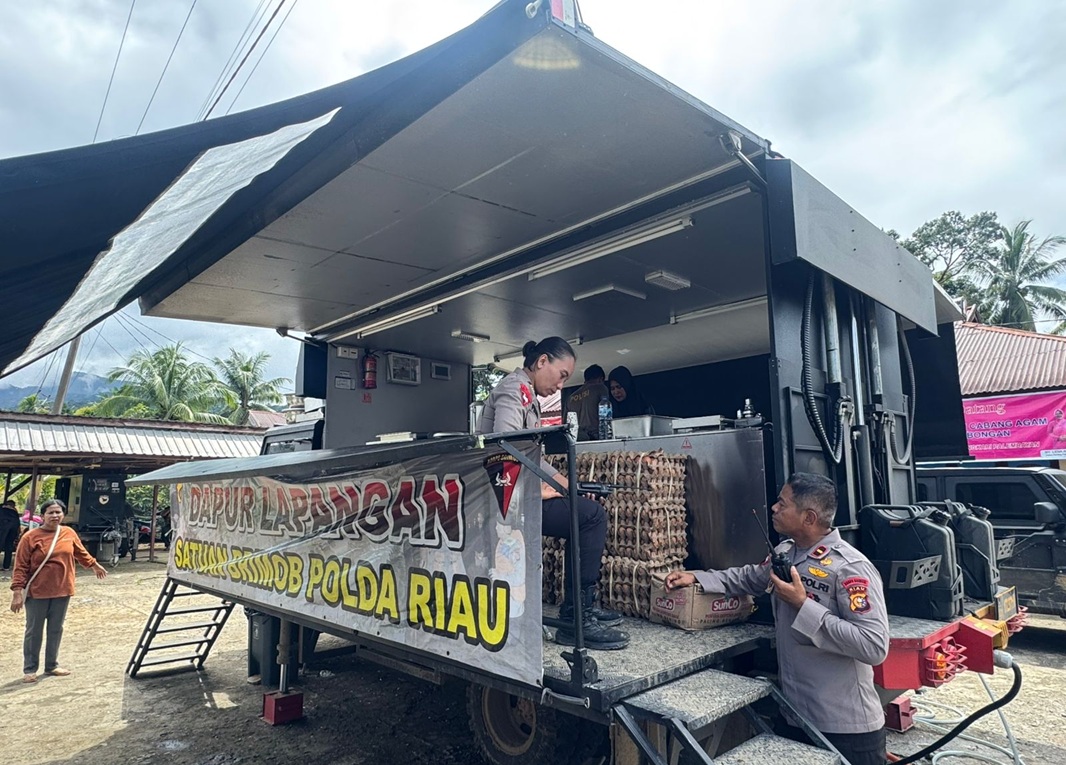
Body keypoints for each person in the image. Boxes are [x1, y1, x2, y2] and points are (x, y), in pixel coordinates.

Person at [665, 473, 889, 765]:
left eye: (782, 504)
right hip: (794, 717)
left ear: (808, 517)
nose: (773, 508)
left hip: (843, 729)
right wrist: (697, 577)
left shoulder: (849, 568)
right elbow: (748, 578)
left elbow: (873, 646)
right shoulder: (786, 553)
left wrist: (802, 604)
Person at [478, 337, 629, 650]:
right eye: (561, 375)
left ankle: (578, 608)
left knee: (586, 510)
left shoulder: (525, 393)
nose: (561, 386)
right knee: (591, 517)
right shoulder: (514, 391)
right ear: (542, 361)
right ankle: (577, 616)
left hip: (514, 495)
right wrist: (539, 491)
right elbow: (502, 452)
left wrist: (567, 484)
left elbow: (530, 455)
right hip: (506, 501)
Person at [10, 498, 108, 683]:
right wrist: (17, 591)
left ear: (63, 515)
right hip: (37, 592)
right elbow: (20, 566)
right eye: (50, 512)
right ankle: (30, 669)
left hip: (63, 590)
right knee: (34, 630)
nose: (55, 516)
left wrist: (94, 565)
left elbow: (80, 552)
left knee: (56, 629)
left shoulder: (68, 533)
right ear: (42, 515)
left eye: (58, 512)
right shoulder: (30, 537)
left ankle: (52, 665)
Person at [566, 364, 610, 441]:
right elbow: (606, 413)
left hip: (577, 439)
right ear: (601, 379)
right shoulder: (600, 387)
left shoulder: (571, 398)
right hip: (596, 437)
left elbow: (566, 423)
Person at [0, 499, 20, 571]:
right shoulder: (15, 511)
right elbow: (18, 524)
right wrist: (17, 534)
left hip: (3, 524)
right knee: (9, 545)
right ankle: (6, 566)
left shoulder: (1, 508)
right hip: (14, 526)